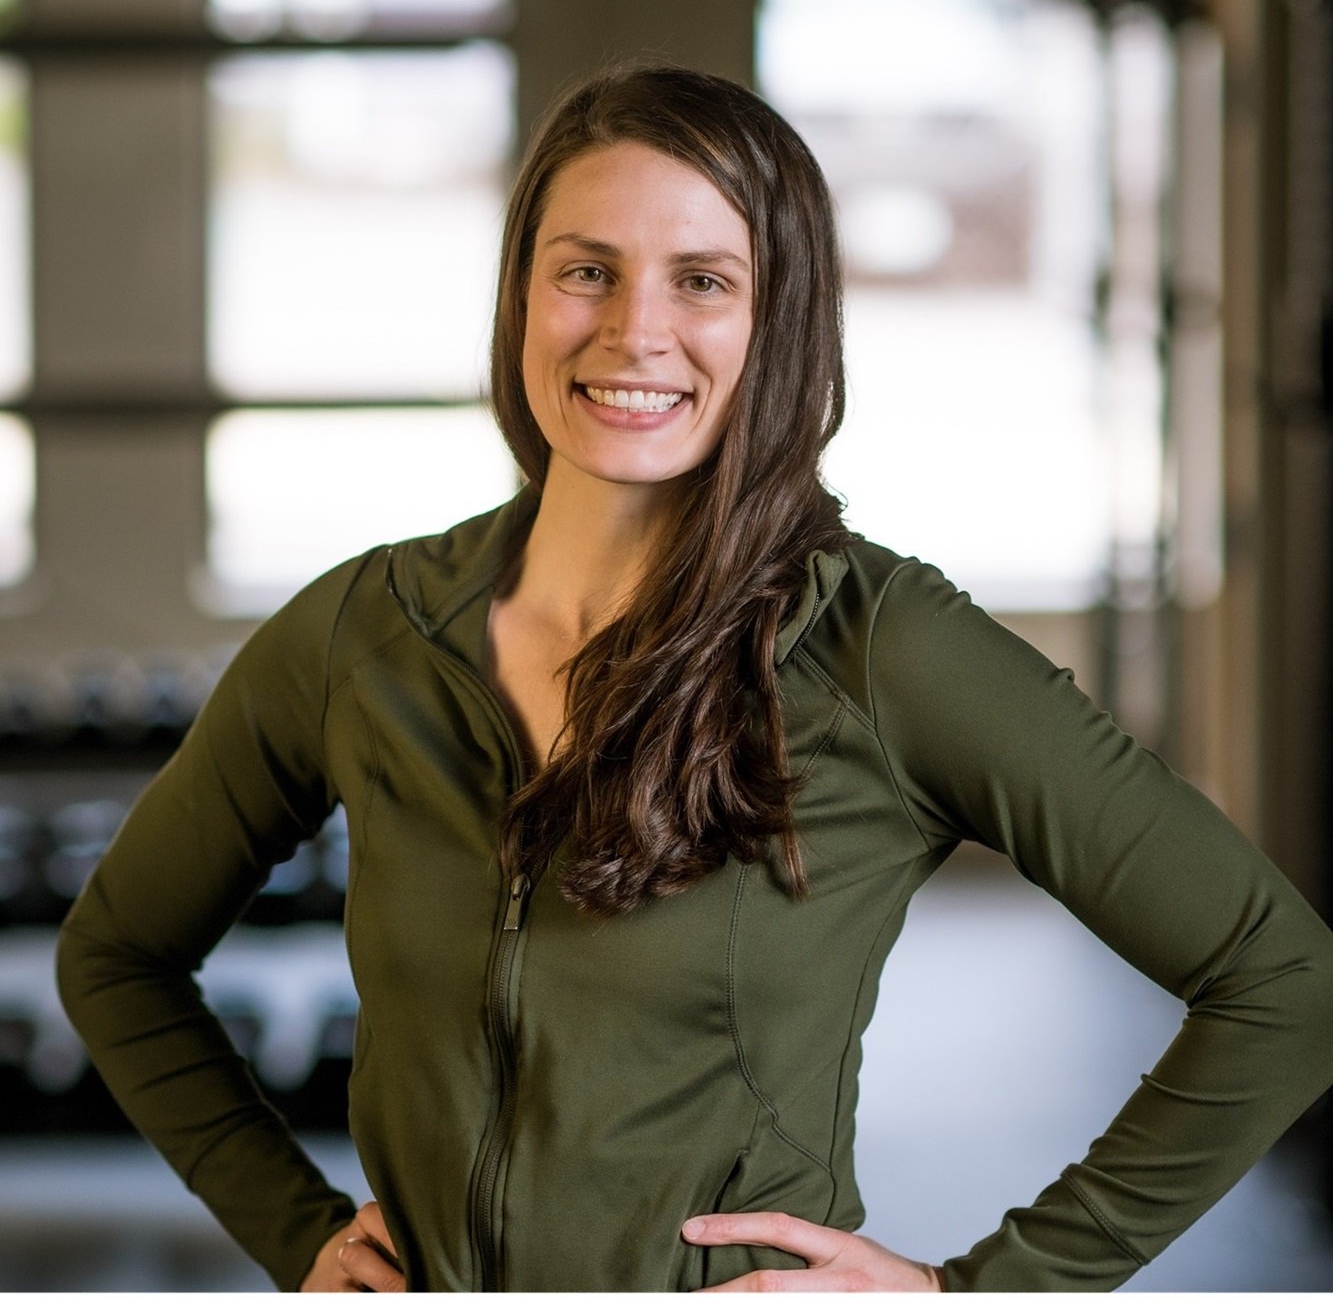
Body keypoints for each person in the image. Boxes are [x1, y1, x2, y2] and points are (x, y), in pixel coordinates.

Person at [57, 62, 1333, 1293]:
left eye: (703, 279)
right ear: (520, 295)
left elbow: (1285, 981)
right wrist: (294, 1232)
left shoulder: (878, 647)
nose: (634, 331)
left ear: (778, 321)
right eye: (586, 273)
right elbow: (115, 953)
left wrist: (986, 1286)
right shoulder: (367, 632)